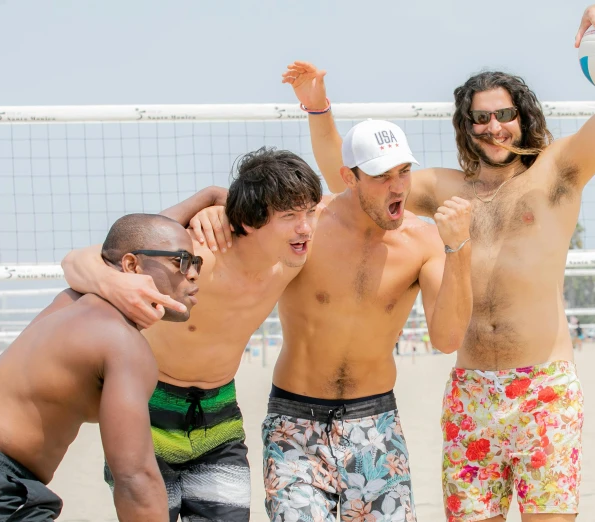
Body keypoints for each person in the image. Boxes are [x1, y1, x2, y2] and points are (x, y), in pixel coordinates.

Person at [283, 3, 595, 519]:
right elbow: (346, 174)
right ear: (465, 124)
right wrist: (319, 111)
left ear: (523, 117)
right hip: (471, 389)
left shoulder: (560, 170)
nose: (494, 127)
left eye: (505, 114)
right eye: (481, 117)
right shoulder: (444, 189)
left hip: (543, 387)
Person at [192, 120, 473, 520]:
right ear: (349, 177)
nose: (397, 187)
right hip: (294, 423)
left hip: (375, 426)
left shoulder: (424, 241)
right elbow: (251, 223)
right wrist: (213, 209)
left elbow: (447, 339)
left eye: (404, 172)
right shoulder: (307, 227)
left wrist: (458, 248)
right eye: (380, 176)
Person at [60, 148, 322, 522]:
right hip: (148, 408)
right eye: (290, 217)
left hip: (219, 414)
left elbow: (355, 202)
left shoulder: (295, 257)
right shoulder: (200, 256)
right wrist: (206, 197)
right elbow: (89, 257)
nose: (306, 227)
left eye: (310, 212)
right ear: (249, 221)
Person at [0, 213, 202, 521]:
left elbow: (130, 236)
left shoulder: (68, 302)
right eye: (181, 261)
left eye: (197, 263)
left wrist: (209, 195)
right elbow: (135, 478)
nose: (194, 274)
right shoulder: (122, 342)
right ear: (132, 266)